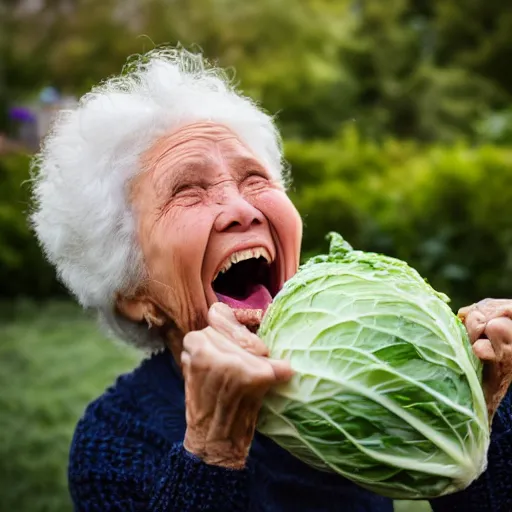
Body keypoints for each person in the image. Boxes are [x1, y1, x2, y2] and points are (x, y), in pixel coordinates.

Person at [30, 47, 512, 512]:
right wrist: (212, 451)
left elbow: (465, 478)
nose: (241, 209)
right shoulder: (114, 441)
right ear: (134, 293)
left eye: (255, 180)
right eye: (189, 191)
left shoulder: (364, 365)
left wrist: (475, 410)